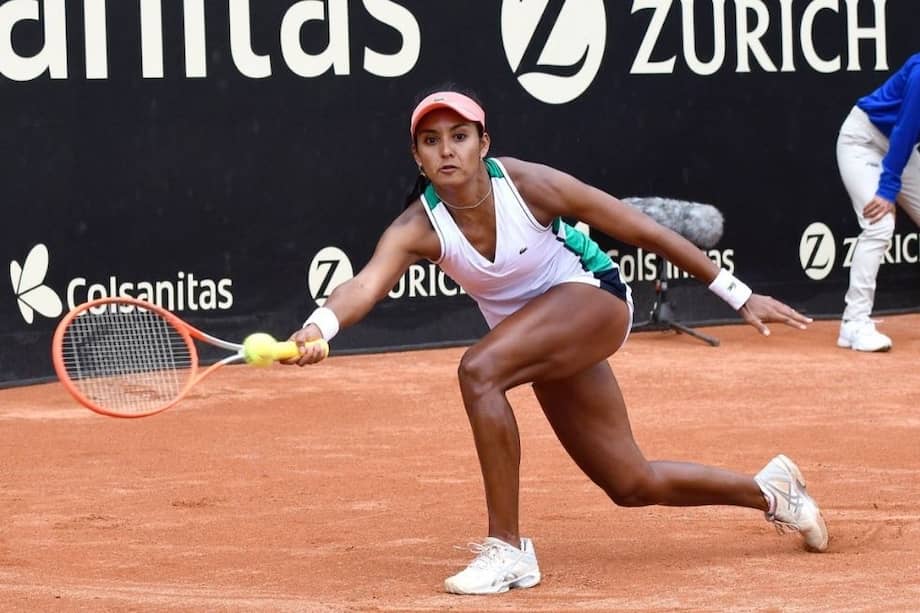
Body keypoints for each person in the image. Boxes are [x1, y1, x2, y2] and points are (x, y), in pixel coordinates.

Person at [286, 89, 828, 595]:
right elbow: (363, 285)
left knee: (479, 371)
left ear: (483, 143)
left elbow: (642, 229)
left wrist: (738, 294)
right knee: (630, 482)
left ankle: (507, 548)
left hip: (596, 299)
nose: (447, 150)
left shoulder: (528, 185)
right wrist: (320, 328)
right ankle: (773, 492)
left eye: (459, 136)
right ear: (418, 157)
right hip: (540, 336)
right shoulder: (417, 227)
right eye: (432, 141)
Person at [836, 52, 920, 352]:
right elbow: (905, 129)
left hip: (902, 151)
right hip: (863, 142)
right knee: (879, 224)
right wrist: (887, 189)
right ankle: (853, 323)